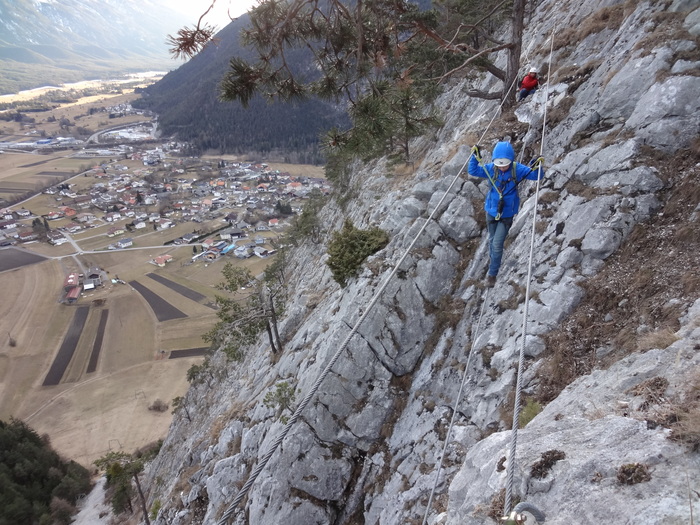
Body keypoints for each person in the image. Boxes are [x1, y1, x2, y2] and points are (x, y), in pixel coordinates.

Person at [467, 141, 544, 286]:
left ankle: (492, 274)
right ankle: (494, 260)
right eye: (499, 164)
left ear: (511, 161)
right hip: (491, 211)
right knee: (492, 240)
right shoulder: (492, 168)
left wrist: (537, 164)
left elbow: (536, 176)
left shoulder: (517, 169)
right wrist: (474, 156)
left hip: (506, 214)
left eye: (505, 164)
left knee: (496, 244)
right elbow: (473, 171)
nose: (502, 167)